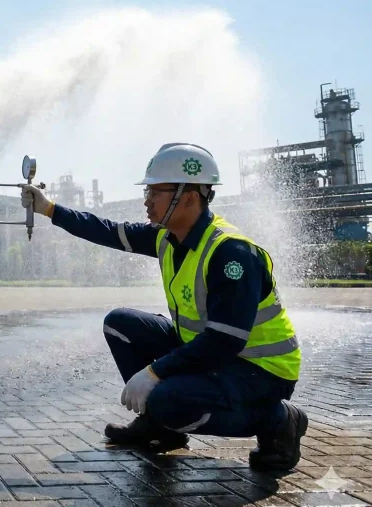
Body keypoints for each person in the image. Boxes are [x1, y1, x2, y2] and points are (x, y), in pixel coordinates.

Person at [19, 143, 306, 472]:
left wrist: (155, 372)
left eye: (156, 191)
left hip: (259, 369)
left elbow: (225, 340)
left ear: (189, 197)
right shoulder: (167, 237)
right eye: (148, 191)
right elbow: (107, 231)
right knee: (120, 324)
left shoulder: (231, 253)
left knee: (167, 399)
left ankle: (279, 420)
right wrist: (49, 209)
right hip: (210, 352)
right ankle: (159, 428)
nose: (147, 199)